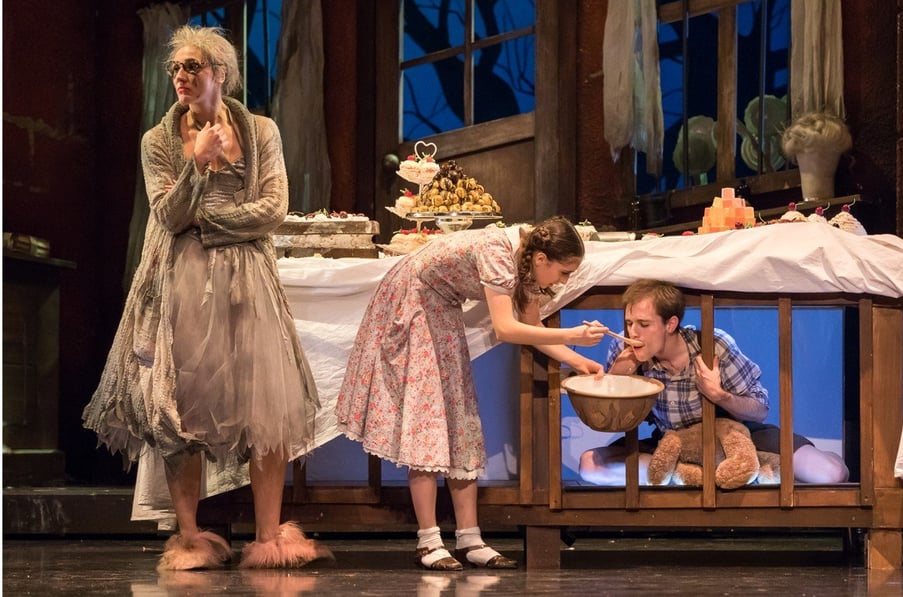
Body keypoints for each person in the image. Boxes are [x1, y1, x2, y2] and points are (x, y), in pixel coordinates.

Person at [82, 25, 330, 570]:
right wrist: (195, 163)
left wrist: (209, 225)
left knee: (266, 406)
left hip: (249, 281)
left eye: (193, 66)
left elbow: (273, 208)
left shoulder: (260, 130)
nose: (181, 76)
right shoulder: (158, 140)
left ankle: (268, 537)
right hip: (182, 281)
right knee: (180, 409)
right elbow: (168, 216)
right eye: (176, 69)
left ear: (219, 72)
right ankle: (190, 536)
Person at [337, 217, 608, 570]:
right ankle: (428, 539)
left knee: (459, 415)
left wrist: (579, 360)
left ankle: (469, 537)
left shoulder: (526, 262)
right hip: (413, 300)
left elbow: (531, 326)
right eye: (564, 272)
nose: (563, 281)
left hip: (442, 308)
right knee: (427, 418)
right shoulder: (499, 251)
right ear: (542, 259)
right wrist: (571, 335)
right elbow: (506, 329)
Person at [578, 279, 849, 486]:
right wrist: (620, 378)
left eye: (643, 324)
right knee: (590, 465)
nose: (632, 333)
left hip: (737, 436)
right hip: (673, 442)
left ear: (670, 324)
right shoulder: (623, 352)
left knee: (830, 473)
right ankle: (693, 475)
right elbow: (608, 420)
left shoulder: (712, 344)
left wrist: (720, 396)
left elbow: (760, 408)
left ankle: (745, 467)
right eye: (628, 323)